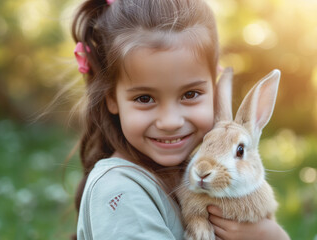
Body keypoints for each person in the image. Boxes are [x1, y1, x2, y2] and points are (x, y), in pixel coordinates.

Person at [71, 0, 289, 239]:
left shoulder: (183, 172)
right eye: (145, 98)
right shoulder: (120, 192)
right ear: (111, 97)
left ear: (214, 92)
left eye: (190, 94)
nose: (171, 121)